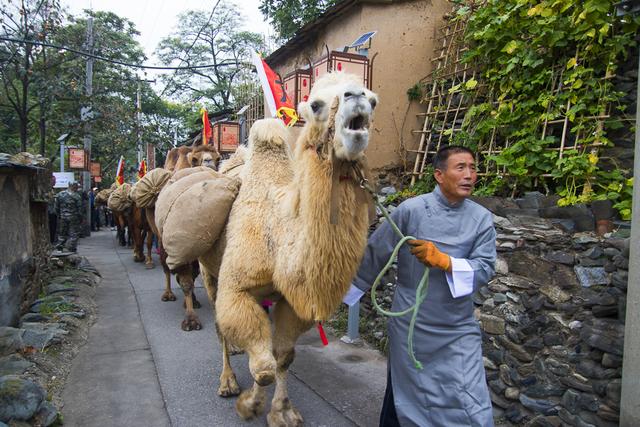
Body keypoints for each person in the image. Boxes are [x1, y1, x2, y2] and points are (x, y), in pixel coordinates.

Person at [349, 145, 496, 426]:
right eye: (460, 167)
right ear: (440, 175)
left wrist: (446, 262)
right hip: (412, 325)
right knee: (405, 395)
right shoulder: (411, 211)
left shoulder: (481, 219)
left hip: (457, 328)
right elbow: (375, 253)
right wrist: (338, 297)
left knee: (470, 399)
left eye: (472, 168)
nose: (469, 175)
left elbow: (486, 267)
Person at [55, 182, 83, 252]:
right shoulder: (76, 196)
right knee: (73, 233)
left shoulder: (60, 194)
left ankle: (60, 247)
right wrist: (81, 218)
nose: (77, 188)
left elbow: (56, 207)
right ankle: (71, 248)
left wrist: (59, 214)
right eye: (76, 187)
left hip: (63, 216)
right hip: (73, 217)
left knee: (62, 232)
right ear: (74, 186)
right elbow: (80, 209)